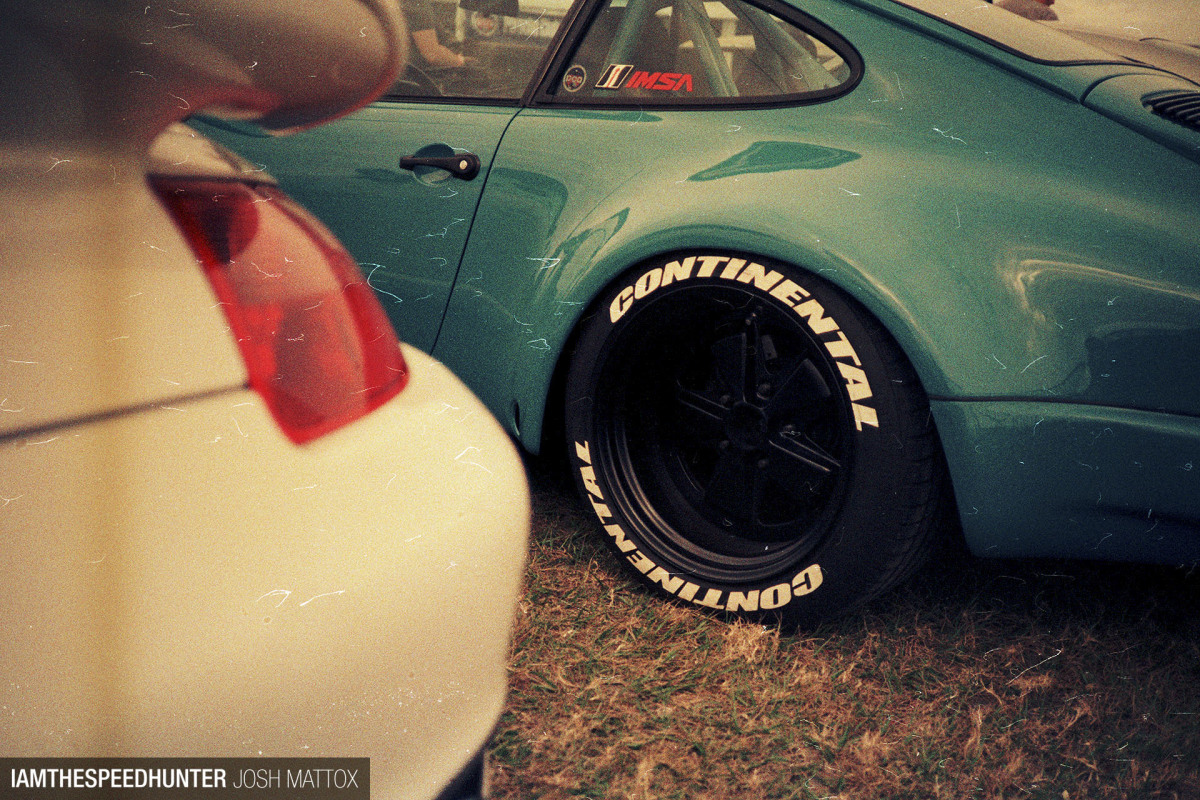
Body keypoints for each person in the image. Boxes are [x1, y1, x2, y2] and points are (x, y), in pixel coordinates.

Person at [401, 0, 471, 68]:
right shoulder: (415, 3)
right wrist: (460, 61)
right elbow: (433, 54)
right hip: (425, 73)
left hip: (404, 71)